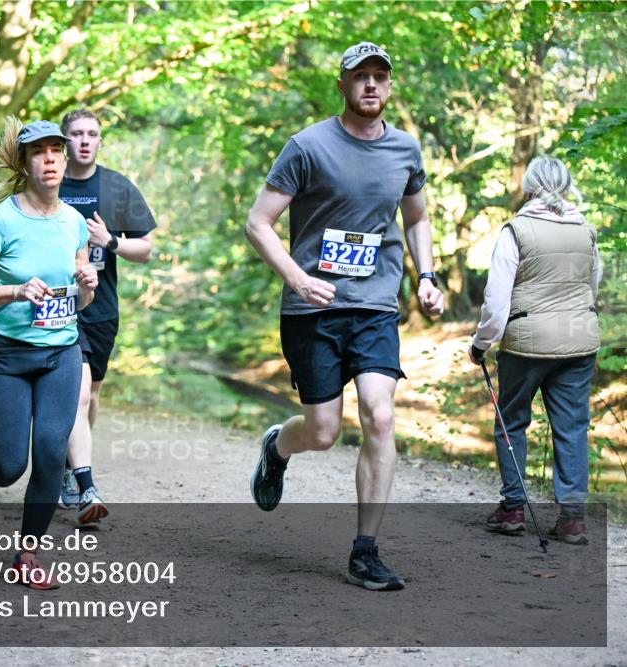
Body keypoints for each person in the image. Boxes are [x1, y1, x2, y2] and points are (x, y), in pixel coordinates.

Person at [245, 41, 444, 591]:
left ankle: (365, 551)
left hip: (376, 305)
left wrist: (427, 276)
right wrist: (298, 277)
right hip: (314, 308)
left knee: (380, 416)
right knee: (324, 430)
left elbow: (417, 218)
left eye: (381, 76)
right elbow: (258, 223)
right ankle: (277, 446)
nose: (372, 85)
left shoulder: (405, 150)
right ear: (343, 85)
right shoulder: (307, 146)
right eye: (361, 77)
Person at [0, 118, 98, 589]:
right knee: (9, 465)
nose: (50, 159)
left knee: (51, 454)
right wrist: (14, 292)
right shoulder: (1, 220)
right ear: (24, 162)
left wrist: (86, 285)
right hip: (6, 358)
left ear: (65, 157)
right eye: (39, 152)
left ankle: (27, 554)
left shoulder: (74, 222)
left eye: (57, 149)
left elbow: (77, 295)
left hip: (61, 353)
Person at [469, 155, 601, 546]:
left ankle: (512, 510)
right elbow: (590, 289)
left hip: (526, 345)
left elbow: (496, 302)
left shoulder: (517, 230)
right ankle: (573, 519)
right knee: (573, 427)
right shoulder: (587, 231)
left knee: (511, 423)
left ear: (529, 186)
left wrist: (481, 343)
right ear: (566, 186)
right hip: (579, 345)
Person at [57, 109, 157, 524]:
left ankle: (70, 460)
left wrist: (110, 241)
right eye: (77, 133)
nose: (84, 140)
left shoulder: (117, 187)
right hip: (56, 305)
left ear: (100, 141)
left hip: (101, 308)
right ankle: (83, 482)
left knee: (91, 396)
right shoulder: (48, 182)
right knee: (77, 394)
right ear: (64, 141)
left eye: (92, 134)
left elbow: (147, 249)